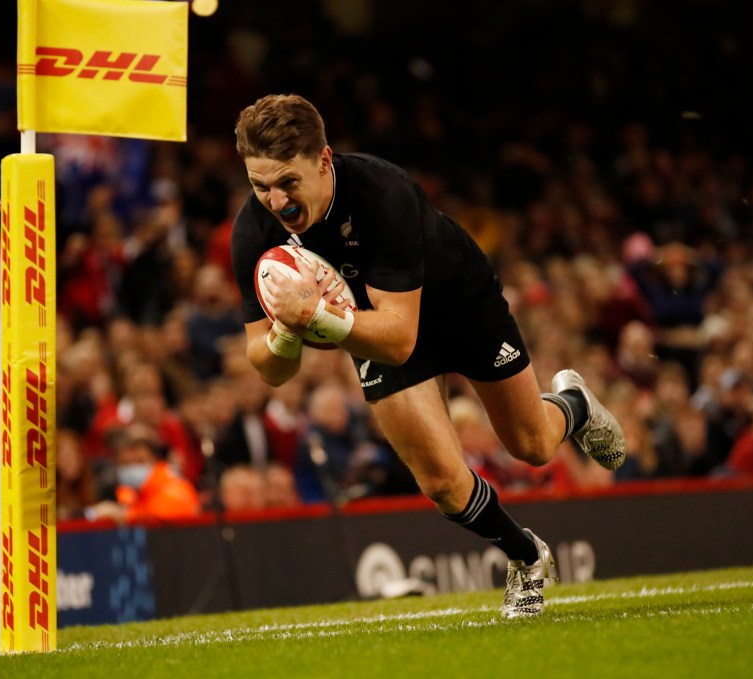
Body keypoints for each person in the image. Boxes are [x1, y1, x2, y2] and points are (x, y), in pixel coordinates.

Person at [230, 94, 625, 619]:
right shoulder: (253, 234)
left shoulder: (382, 192)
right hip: (370, 323)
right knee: (440, 481)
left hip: (455, 304)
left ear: (323, 160)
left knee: (532, 445)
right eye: (261, 186)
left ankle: (571, 403)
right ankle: (526, 557)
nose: (276, 201)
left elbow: (400, 339)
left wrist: (316, 319)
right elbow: (270, 368)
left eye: (288, 183)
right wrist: (285, 331)